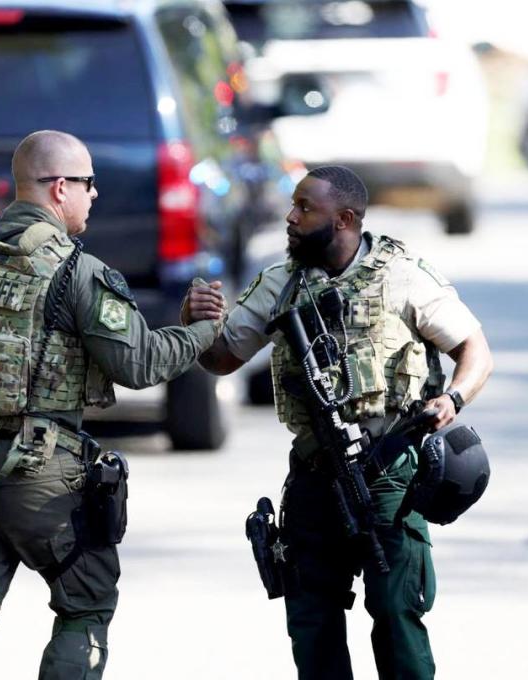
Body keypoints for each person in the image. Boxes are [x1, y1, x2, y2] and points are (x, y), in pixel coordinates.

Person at [0, 130, 227, 680]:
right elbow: (138, 365)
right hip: (42, 473)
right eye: (88, 184)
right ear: (61, 188)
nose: (94, 196)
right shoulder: (78, 272)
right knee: (84, 606)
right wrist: (202, 333)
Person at [194, 166, 493, 679]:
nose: (291, 217)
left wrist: (453, 399)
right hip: (315, 473)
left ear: (346, 219)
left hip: (390, 473)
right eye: (294, 205)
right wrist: (196, 322)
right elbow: (223, 359)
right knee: (312, 623)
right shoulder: (281, 282)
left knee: (397, 614)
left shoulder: (402, 276)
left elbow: (474, 349)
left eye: (305, 208)